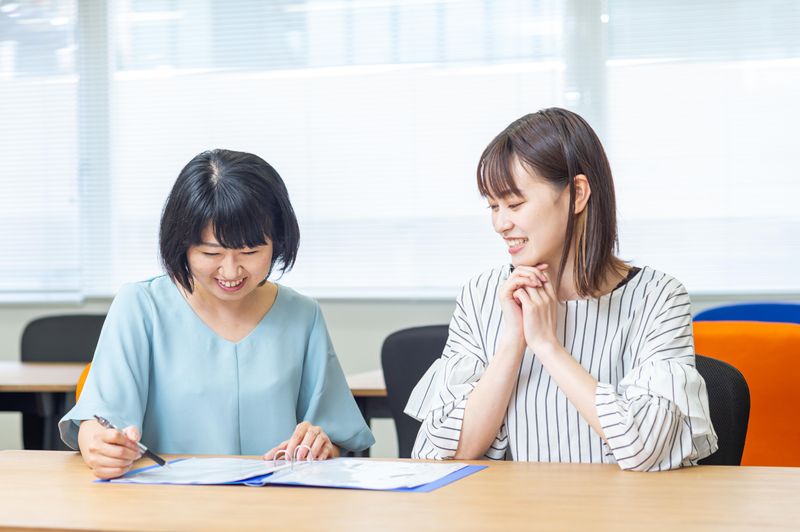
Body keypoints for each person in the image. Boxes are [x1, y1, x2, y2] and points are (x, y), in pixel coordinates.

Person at [405, 108, 718, 471]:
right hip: (512, 505)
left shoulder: (658, 297)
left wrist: (546, 345)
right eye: (493, 206)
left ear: (577, 194)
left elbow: (644, 449)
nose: (500, 223)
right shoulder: (481, 294)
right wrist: (512, 343)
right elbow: (439, 453)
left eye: (514, 204)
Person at [59, 149, 374, 479]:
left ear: (278, 242)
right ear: (182, 244)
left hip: (277, 502)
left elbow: (336, 437)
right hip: (167, 501)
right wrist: (99, 445)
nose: (231, 271)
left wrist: (322, 445)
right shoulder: (140, 307)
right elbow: (98, 420)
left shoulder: (302, 315)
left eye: (250, 252)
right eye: (211, 253)